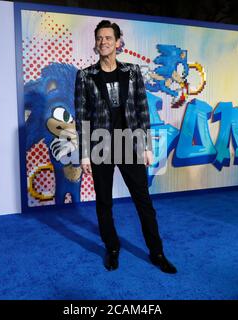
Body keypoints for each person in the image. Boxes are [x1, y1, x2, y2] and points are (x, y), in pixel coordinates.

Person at [74, 20, 177, 273]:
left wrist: (146, 145)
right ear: (95, 42)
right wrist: (84, 154)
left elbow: (142, 109)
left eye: (108, 38)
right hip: (100, 144)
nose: (103, 42)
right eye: (99, 38)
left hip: (129, 143)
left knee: (143, 201)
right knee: (104, 202)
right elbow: (82, 115)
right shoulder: (85, 75)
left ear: (118, 42)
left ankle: (157, 252)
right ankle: (112, 248)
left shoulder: (132, 72)